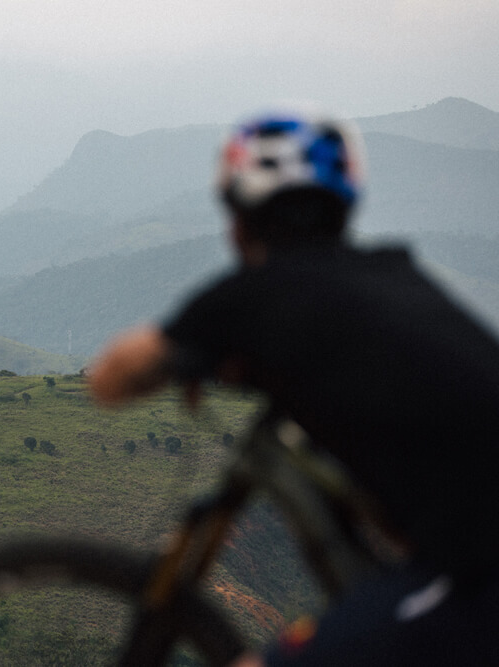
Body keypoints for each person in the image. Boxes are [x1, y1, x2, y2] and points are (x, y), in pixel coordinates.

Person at [91, 104, 499, 666]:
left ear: (237, 219)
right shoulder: (395, 274)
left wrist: (195, 353)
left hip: (473, 579)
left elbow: (112, 379)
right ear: (342, 208)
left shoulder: (256, 298)